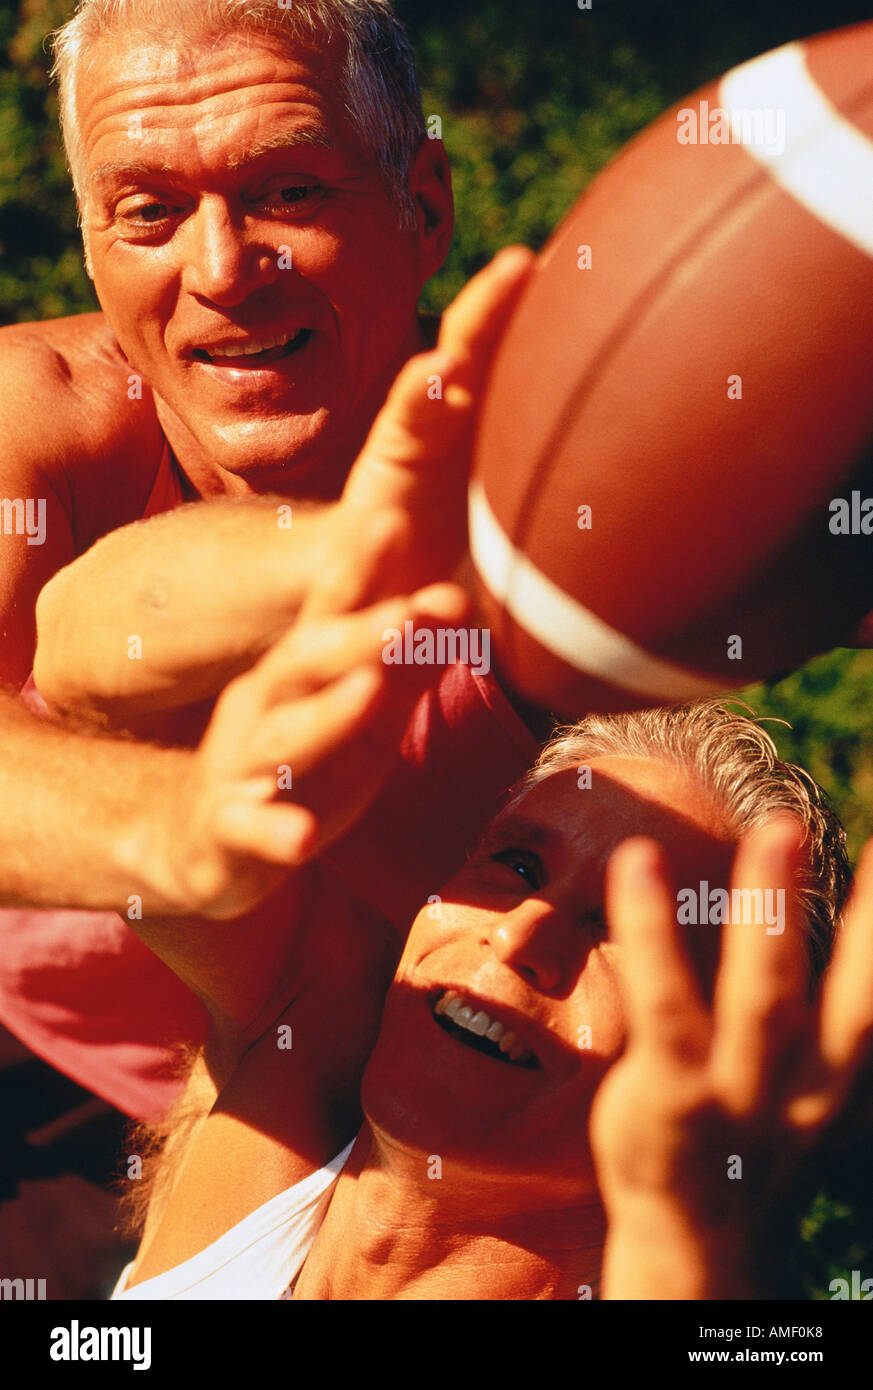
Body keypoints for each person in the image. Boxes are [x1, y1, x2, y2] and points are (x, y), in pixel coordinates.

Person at [0, 0, 540, 1118]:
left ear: (423, 204)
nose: (224, 270)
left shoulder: (568, 479)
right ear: (93, 253)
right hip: (84, 1106)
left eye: (288, 191)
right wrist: (187, 825)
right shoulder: (38, 421)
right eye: (147, 211)